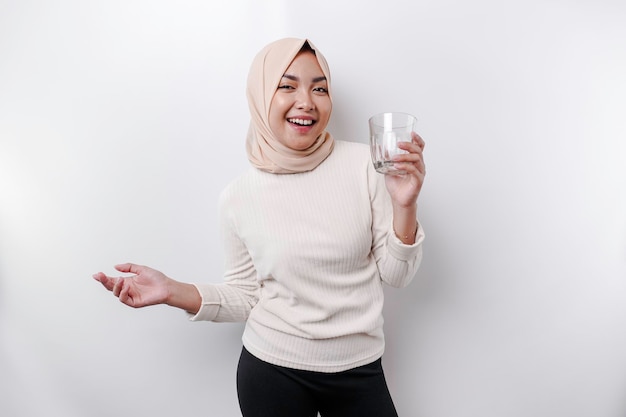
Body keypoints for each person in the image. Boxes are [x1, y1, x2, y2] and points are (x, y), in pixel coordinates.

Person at [93, 37, 426, 417]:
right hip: (272, 371)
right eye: (287, 86)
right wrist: (171, 291)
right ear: (261, 94)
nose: (307, 101)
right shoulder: (238, 197)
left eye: (320, 88)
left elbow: (396, 275)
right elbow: (247, 295)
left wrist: (406, 204)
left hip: (359, 369)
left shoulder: (367, 165)